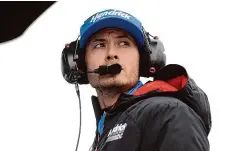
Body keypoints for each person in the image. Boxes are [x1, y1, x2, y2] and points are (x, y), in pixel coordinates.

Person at [61, 9, 212, 151]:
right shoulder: (106, 130)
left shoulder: (168, 113)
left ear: (145, 60)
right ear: (79, 64)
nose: (111, 54)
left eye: (123, 43)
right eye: (99, 45)